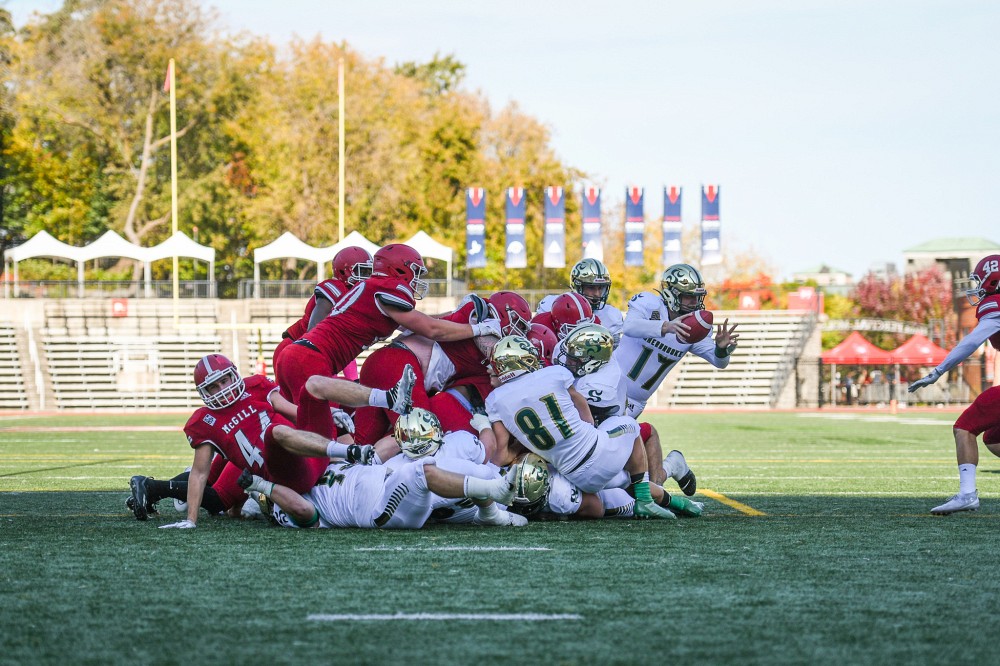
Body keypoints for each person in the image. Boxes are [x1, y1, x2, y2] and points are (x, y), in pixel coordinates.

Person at [155, 354, 416, 529]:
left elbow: (292, 409)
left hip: (312, 448)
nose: (223, 388)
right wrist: (191, 520)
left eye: (224, 380)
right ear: (204, 393)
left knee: (313, 384)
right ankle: (352, 452)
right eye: (214, 386)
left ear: (234, 374)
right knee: (274, 432)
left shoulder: (254, 386)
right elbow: (199, 473)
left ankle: (389, 398)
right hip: (288, 475)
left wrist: (329, 412)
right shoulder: (204, 421)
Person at [482, 335, 697, 519]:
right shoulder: (554, 374)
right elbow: (580, 402)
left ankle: (676, 501)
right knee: (630, 426)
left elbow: (500, 457)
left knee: (626, 482)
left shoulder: (494, 401)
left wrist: (525, 445)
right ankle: (645, 500)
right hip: (597, 452)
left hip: (574, 475)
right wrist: (589, 427)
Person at [275, 243, 501, 404]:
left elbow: (423, 322)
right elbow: (433, 331)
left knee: (310, 431)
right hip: (309, 357)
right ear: (400, 268)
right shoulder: (385, 289)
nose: (418, 279)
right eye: (415, 271)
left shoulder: (376, 291)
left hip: (302, 357)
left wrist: (458, 314)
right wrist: (479, 328)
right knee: (320, 439)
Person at [909, 254, 1000, 515]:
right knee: (994, 439)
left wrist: (938, 371)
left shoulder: (995, 304)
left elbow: (972, 343)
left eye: (981, 279)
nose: (978, 285)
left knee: (964, 428)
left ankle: (967, 495)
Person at [238, 454, 526, 529]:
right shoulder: (284, 508)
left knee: (467, 474)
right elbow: (304, 511)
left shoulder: (314, 471)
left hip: (391, 487)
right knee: (422, 472)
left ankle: (491, 515)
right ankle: (497, 491)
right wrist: (263, 486)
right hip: (382, 511)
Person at [615, 263, 739, 418]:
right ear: (670, 294)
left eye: (697, 297)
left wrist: (721, 349)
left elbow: (720, 363)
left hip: (636, 402)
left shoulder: (693, 329)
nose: (694, 302)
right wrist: (666, 327)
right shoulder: (649, 303)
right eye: (688, 296)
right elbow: (629, 327)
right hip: (609, 383)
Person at [271, 245, 372, 378]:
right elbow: (313, 333)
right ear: (345, 271)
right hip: (296, 349)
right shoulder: (336, 288)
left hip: (310, 352)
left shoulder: (355, 295)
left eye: (369, 272)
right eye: (363, 272)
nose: (368, 277)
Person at [537, 258, 624, 342]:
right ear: (576, 287)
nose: (597, 294)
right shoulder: (553, 305)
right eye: (591, 288)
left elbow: (613, 354)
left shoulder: (610, 315)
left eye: (601, 288)